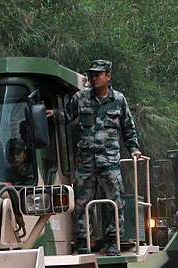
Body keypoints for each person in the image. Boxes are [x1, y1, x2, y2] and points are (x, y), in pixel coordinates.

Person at [48, 59, 143, 255]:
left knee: (113, 202)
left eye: (98, 74)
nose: (94, 78)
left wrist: (133, 148)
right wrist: (49, 114)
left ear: (108, 77)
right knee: (82, 203)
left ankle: (112, 242)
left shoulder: (118, 100)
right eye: (91, 74)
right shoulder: (81, 98)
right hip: (86, 162)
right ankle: (83, 242)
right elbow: (66, 116)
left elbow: (128, 128)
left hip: (109, 162)